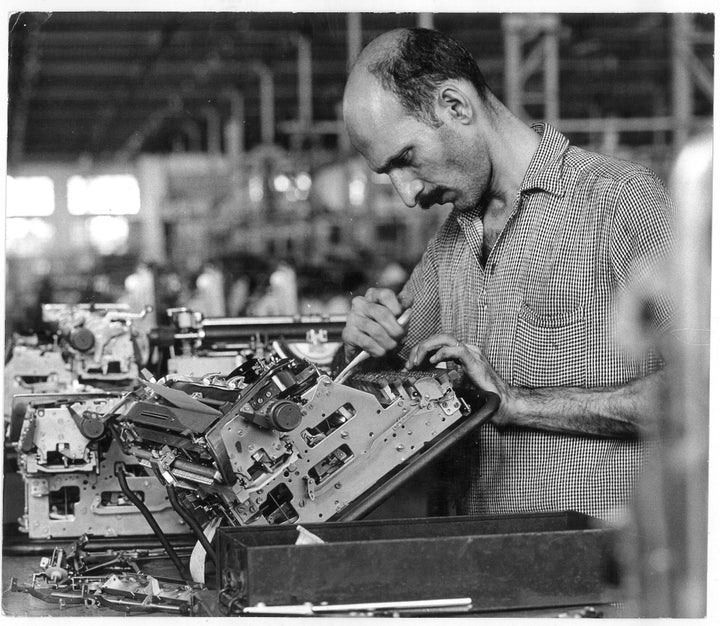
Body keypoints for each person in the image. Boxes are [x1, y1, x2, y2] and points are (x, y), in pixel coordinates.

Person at [341, 28, 674, 520]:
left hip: (587, 566)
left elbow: (698, 390)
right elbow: (385, 390)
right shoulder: (451, 241)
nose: (407, 195)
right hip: (472, 561)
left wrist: (517, 404)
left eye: (405, 160)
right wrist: (365, 346)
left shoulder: (619, 203)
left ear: (456, 106)